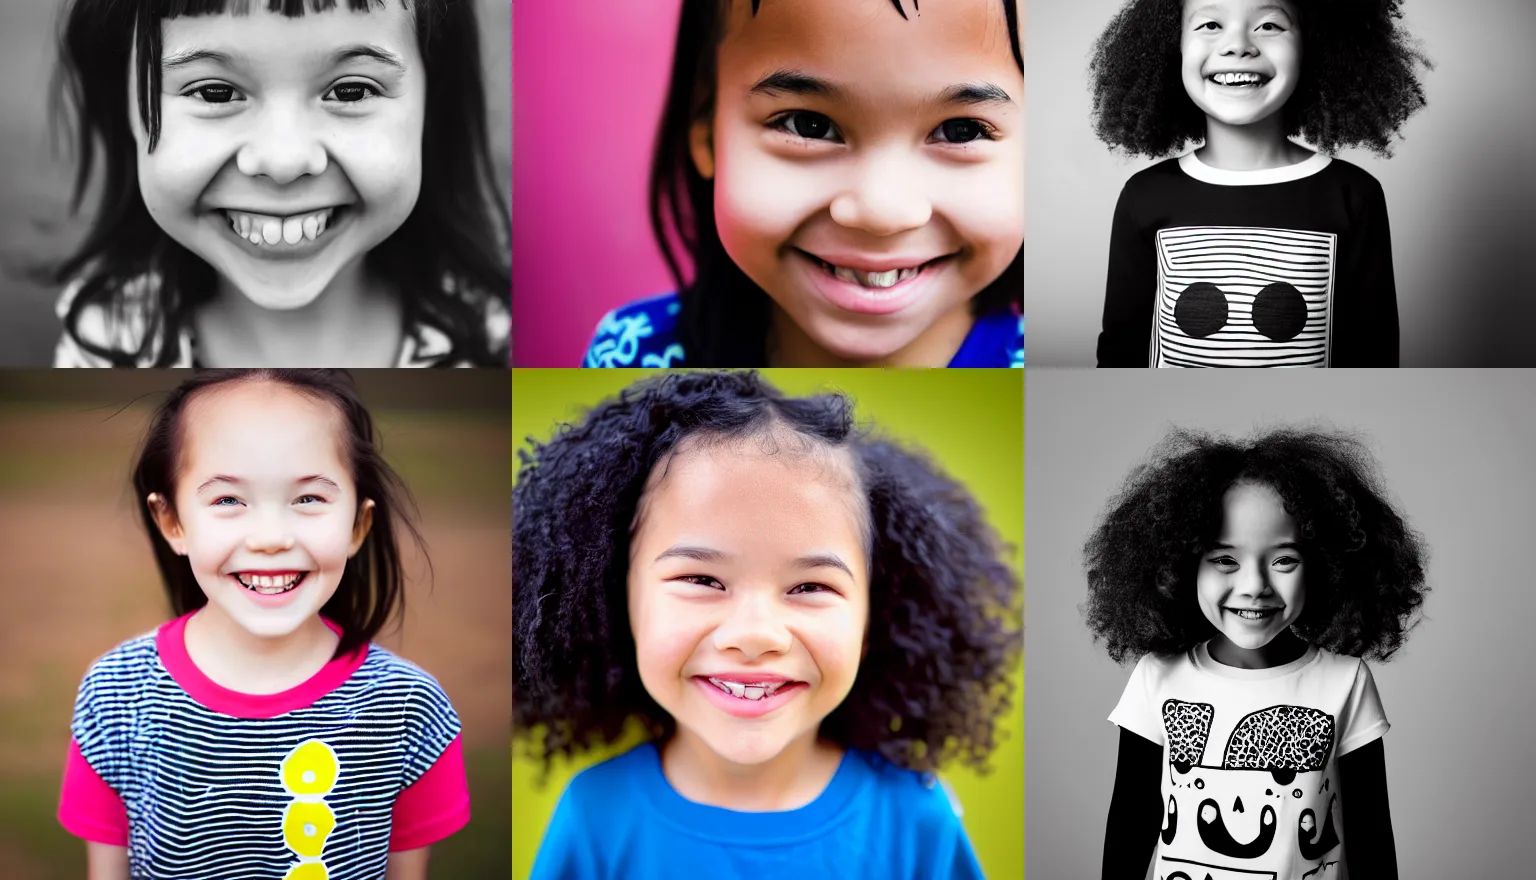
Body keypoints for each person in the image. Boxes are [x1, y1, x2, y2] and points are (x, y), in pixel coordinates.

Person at [514, 369, 1018, 878]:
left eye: (810, 587)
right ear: (614, 600)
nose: (755, 634)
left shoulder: (915, 819)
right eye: (702, 579)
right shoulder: (596, 814)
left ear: (874, 617)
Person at [47, 0, 510, 367]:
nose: (283, 160)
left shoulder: (491, 336)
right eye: (216, 93)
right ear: (127, 99)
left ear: (433, 99)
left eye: (351, 92)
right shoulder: (109, 339)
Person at [582, 0, 1023, 367]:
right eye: (809, 125)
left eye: (961, 129)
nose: (880, 210)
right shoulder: (634, 356)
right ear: (705, 128)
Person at [58, 370, 470, 879]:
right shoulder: (114, 695)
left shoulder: (410, 708)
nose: (270, 538)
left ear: (358, 526)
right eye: (228, 500)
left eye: (308, 499)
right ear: (173, 522)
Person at [1091, 0, 1428, 367]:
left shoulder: (1354, 196)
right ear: (1172, 47)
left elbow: (1373, 357)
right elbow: (1119, 354)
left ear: (1314, 45)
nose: (1238, 45)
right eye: (1210, 25)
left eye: (1269, 25)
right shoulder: (1145, 197)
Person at [1085, 426, 1426, 880]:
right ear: (1180, 567)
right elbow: (1130, 823)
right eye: (1225, 560)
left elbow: (1371, 838)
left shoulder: (1345, 681)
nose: (1254, 587)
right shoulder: (1156, 677)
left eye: (1284, 559)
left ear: (1326, 565)